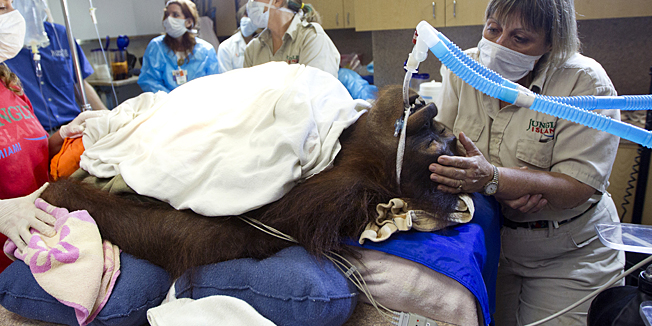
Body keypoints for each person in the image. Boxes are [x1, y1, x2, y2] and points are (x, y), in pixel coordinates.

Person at [429, 0, 625, 324]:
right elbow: (442, 146)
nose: (498, 45)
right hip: (495, 243)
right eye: (493, 29)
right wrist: (516, 183)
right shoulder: (462, 67)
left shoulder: (584, 84)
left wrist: (495, 179)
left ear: (551, 42)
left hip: (567, 252)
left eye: (520, 39)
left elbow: (576, 186)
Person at [0, 1, 106, 273]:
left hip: (42, 237)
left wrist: (63, 134)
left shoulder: (10, 84)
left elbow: (26, 150)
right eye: (2, 9)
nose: (13, 16)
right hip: (8, 253)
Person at [4, 2, 107, 133]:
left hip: (75, 125)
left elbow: (81, 84)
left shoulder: (60, 35)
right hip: (35, 133)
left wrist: (109, 116)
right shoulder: (6, 46)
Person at [138, 0, 219, 93]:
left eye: (175, 15)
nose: (169, 19)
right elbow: (149, 80)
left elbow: (213, 83)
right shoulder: (156, 47)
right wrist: (171, 98)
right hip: (165, 103)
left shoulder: (206, 51)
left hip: (198, 103)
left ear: (189, 22)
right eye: (167, 14)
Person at [243, 0, 340, 78]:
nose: (250, 3)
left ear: (277, 1)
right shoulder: (253, 49)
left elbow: (315, 93)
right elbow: (248, 96)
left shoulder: (312, 38)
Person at [217, 5, 258, 74]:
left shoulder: (264, 43)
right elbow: (225, 77)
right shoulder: (226, 47)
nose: (249, 19)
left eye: (252, 15)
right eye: (246, 15)